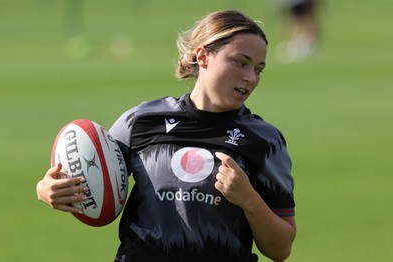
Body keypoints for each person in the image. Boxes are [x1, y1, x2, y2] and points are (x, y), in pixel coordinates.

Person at [36, 10, 296, 262]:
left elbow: (280, 249)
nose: (250, 77)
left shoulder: (264, 141)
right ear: (203, 56)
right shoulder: (142, 121)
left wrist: (249, 199)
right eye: (240, 62)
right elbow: (94, 178)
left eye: (259, 69)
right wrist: (48, 189)